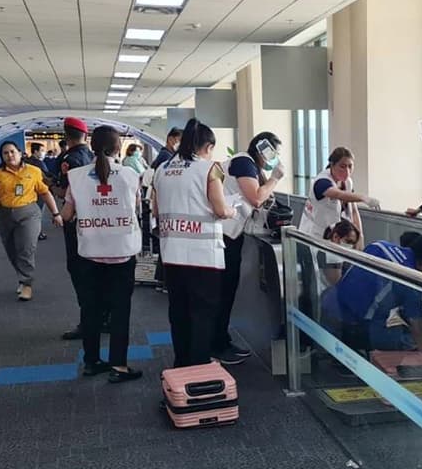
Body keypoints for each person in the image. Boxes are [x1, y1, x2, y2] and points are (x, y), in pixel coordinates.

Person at [60, 125, 142, 383]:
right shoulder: (130, 175)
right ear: (118, 147)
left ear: (91, 145)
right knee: (120, 311)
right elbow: (136, 208)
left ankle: (92, 361)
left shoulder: (76, 176)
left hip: (89, 255)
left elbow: (67, 216)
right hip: (122, 254)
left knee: (90, 309)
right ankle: (119, 366)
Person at [151, 118, 233, 368]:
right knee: (203, 314)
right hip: (202, 257)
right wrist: (232, 210)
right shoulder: (209, 169)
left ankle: (181, 363)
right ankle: (198, 367)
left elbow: (155, 210)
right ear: (206, 147)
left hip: (172, 255)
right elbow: (219, 210)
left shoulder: (162, 169)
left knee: (179, 313)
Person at [216, 131, 286, 365]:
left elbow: (264, 195)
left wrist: (268, 179)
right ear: (262, 149)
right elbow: (256, 198)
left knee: (227, 290)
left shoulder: (250, 165)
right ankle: (216, 344)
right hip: (224, 234)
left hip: (230, 234)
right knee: (223, 290)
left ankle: (220, 340)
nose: (274, 157)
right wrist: (275, 178)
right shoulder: (244, 162)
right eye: (272, 152)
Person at [328, 233, 422, 354]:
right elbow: (418, 329)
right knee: (406, 337)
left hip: (329, 307)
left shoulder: (378, 245)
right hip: (350, 328)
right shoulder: (410, 279)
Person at [0, 141, 62, 301]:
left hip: (29, 214)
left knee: (26, 249)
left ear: (20, 153)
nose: (9, 155)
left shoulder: (34, 171)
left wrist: (56, 213)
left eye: (12, 152)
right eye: (5, 153)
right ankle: (22, 277)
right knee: (12, 250)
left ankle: (27, 284)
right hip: (6, 214)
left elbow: (45, 192)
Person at [57, 117, 95, 340]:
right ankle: (102, 317)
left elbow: (65, 193)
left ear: (65, 134)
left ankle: (87, 321)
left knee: (79, 271)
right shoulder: (91, 157)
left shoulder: (69, 158)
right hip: (94, 221)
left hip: (75, 222)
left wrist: (47, 184)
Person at [298, 146, 373, 241]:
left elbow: (353, 210)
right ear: (332, 165)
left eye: (350, 166)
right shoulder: (321, 181)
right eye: (342, 166)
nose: (347, 171)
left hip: (333, 234)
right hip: (314, 233)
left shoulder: (347, 182)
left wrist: (359, 236)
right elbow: (339, 195)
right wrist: (363, 198)